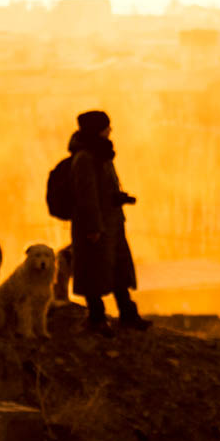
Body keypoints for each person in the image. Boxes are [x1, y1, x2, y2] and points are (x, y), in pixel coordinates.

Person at [68, 110, 150, 335]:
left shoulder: (101, 154)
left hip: (111, 223)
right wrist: (93, 227)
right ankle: (96, 318)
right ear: (97, 130)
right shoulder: (85, 158)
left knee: (117, 270)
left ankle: (128, 314)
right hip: (95, 227)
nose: (110, 130)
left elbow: (102, 189)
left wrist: (118, 198)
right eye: (106, 127)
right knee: (93, 271)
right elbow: (86, 196)